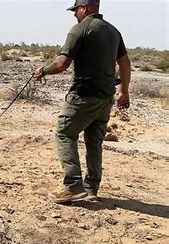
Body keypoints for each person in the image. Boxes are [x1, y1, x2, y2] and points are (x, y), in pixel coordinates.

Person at [33, 0, 131, 203]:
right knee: (94, 141)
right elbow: (125, 62)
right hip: (106, 97)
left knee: (64, 133)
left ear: (84, 8)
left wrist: (42, 71)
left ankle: (72, 186)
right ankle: (91, 188)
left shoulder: (80, 29)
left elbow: (62, 63)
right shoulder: (113, 31)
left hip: (83, 96)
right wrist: (124, 92)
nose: (74, 14)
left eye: (76, 10)